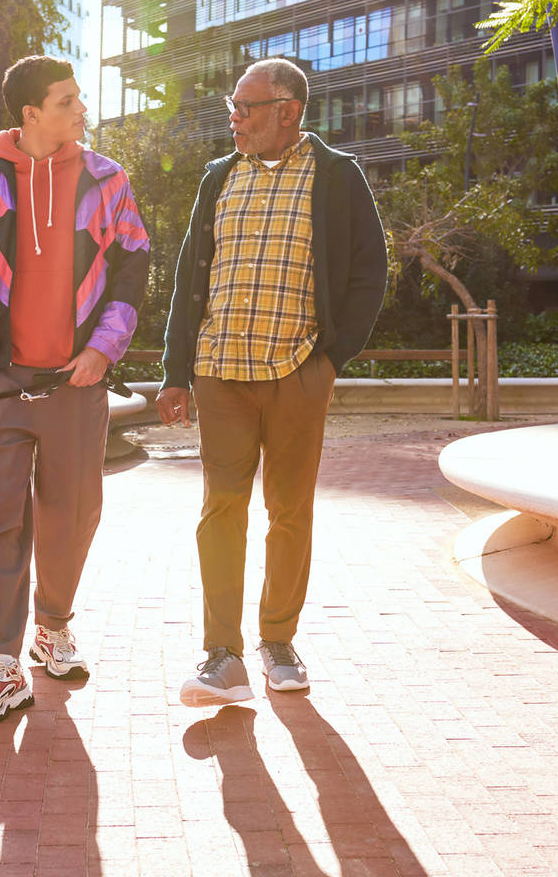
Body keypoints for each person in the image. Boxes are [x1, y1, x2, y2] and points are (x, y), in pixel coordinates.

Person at [158, 58, 387, 706]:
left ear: (287, 110)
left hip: (296, 372)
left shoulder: (338, 177)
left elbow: (370, 273)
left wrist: (329, 361)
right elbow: (188, 281)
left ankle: (277, 640)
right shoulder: (216, 178)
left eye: (246, 107)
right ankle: (221, 656)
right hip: (219, 371)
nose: (234, 117)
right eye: (233, 106)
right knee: (220, 509)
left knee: (289, 510)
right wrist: (176, 370)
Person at [0, 55, 148, 723]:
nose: (81, 110)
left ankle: (52, 626)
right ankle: (1, 663)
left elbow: (131, 275)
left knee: (71, 515)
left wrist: (102, 349)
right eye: (66, 100)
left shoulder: (108, 181)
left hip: (75, 387)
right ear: (30, 112)